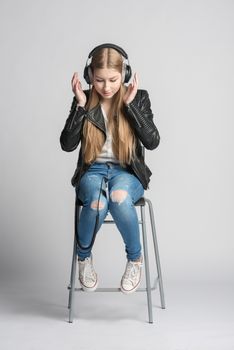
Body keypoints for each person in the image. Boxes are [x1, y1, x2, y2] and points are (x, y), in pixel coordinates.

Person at [60, 43, 160, 294]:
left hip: (128, 172)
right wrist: (81, 106)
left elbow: (153, 141)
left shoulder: (139, 97)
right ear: (89, 76)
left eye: (113, 79)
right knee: (96, 203)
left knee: (118, 197)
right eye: (99, 80)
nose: (106, 87)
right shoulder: (83, 99)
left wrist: (130, 106)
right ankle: (84, 259)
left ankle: (135, 260)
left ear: (124, 75)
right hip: (92, 171)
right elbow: (67, 145)